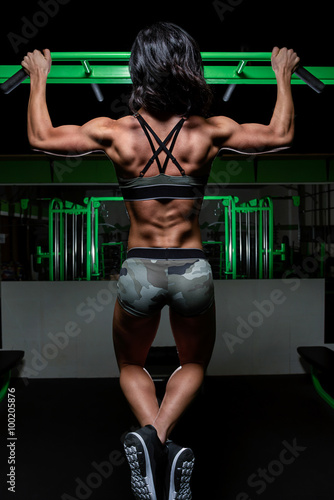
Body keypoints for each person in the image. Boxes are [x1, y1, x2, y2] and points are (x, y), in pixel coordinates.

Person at [22, 22, 299, 500]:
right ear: (188, 68)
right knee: (194, 360)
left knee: (131, 362)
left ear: (138, 71)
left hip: (139, 269)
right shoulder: (210, 131)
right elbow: (280, 135)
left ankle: (150, 436)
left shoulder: (115, 132)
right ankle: (160, 435)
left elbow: (41, 138)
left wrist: (39, 76)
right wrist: (282, 75)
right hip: (191, 268)